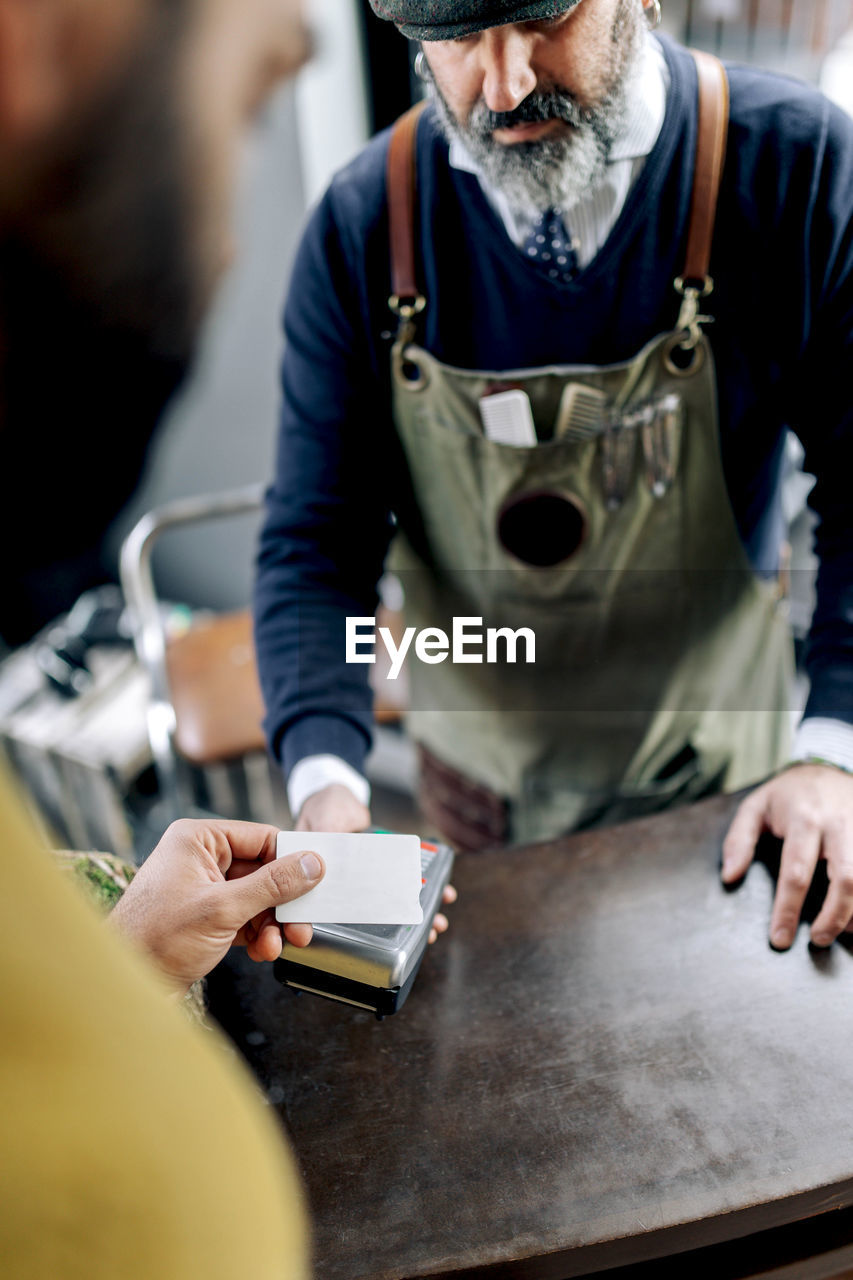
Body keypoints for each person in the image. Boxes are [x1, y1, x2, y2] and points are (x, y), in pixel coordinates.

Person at [254, 0, 853, 953]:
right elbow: (317, 546)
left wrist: (834, 751)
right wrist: (326, 782)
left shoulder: (794, 165)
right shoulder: (365, 226)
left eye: (544, 18)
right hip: (480, 797)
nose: (504, 84)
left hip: (719, 791)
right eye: (455, 39)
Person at [0, 0, 331, 1274]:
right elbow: (311, 539)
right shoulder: (139, 1201)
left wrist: (126, 954)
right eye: (245, 104)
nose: (233, 240)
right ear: (34, 38)